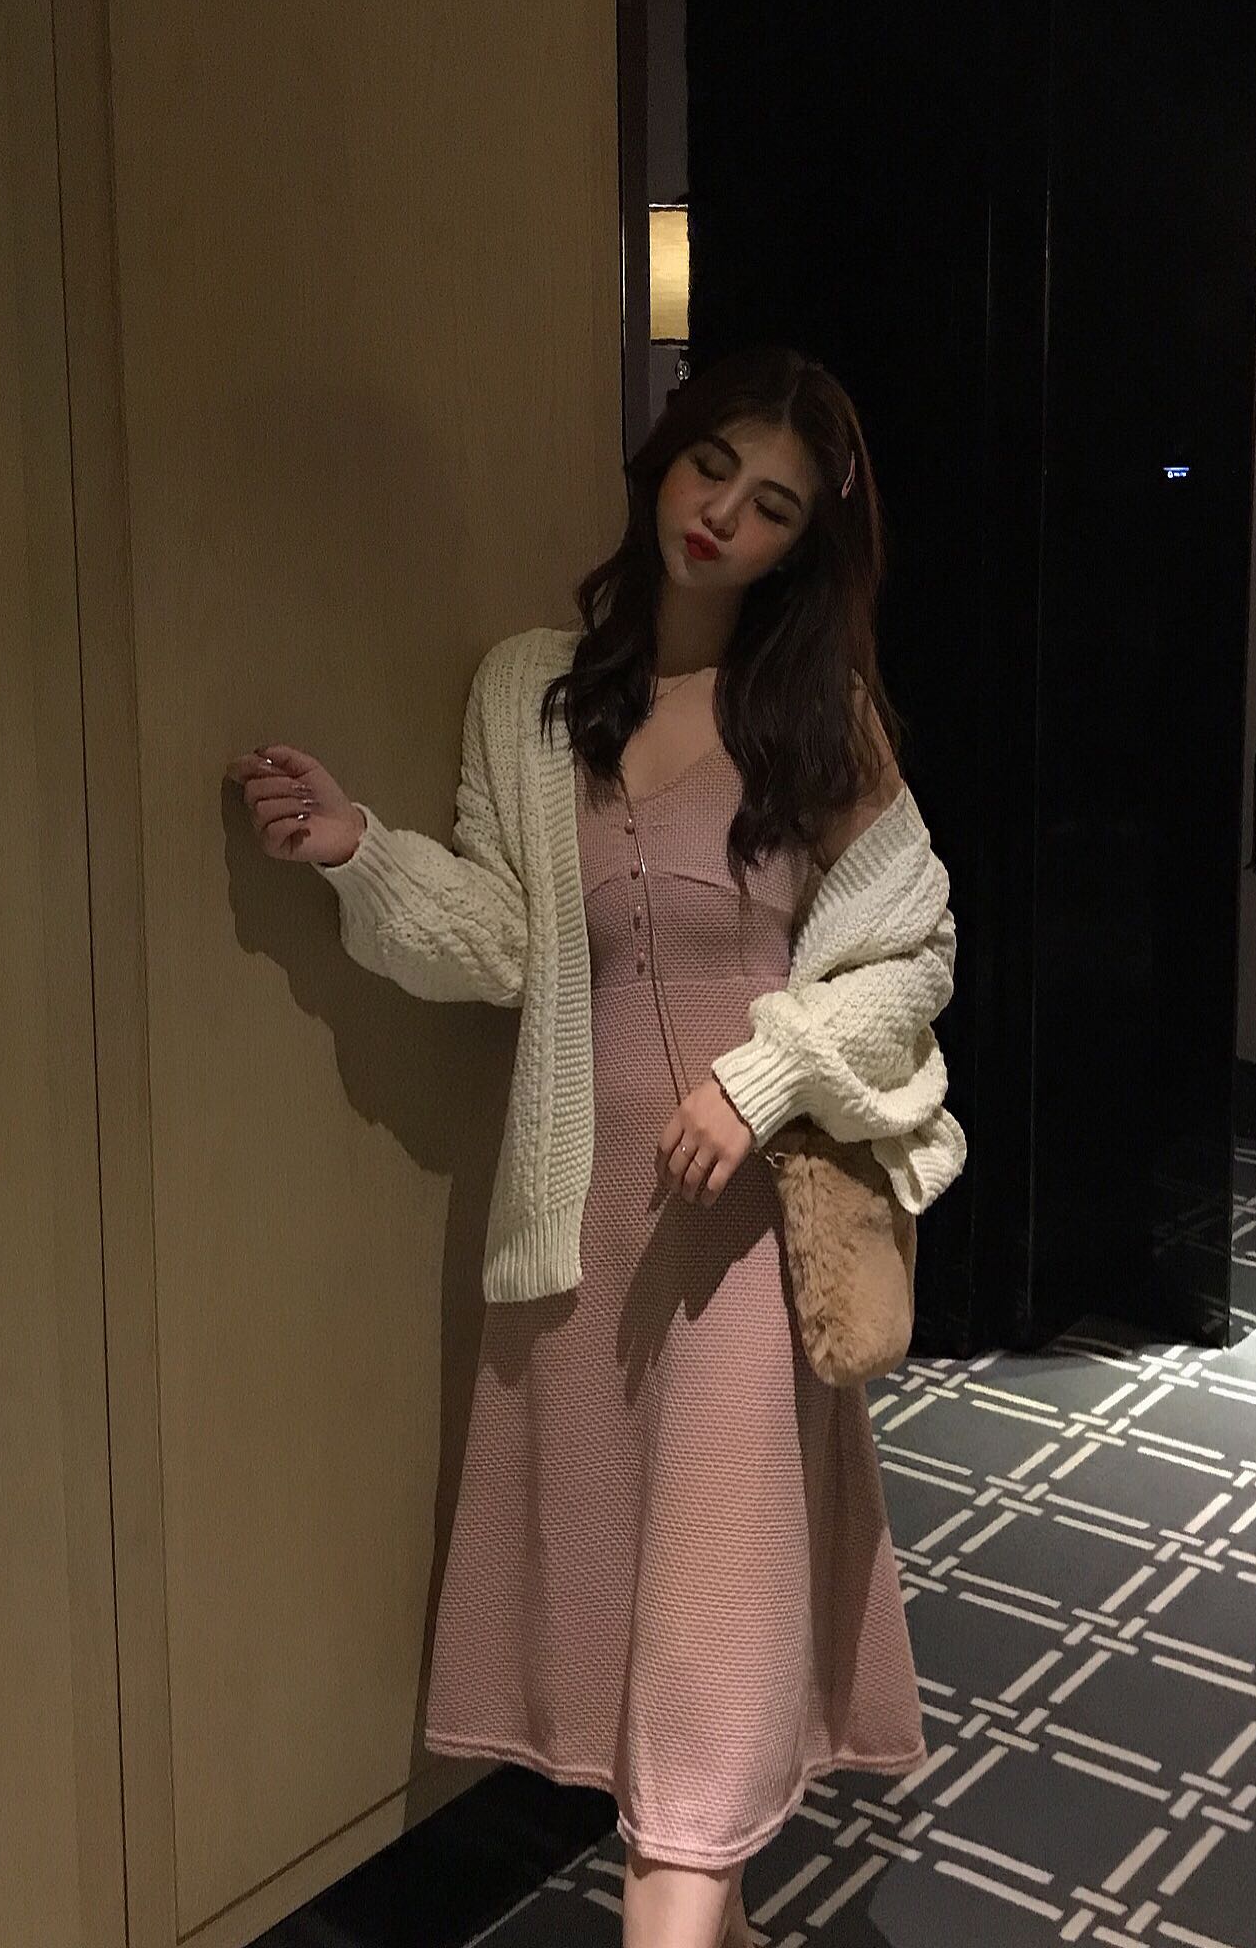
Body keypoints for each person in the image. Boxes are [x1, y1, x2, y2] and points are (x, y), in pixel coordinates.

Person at [225, 346, 962, 1948]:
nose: (725, 516)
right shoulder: (531, 692)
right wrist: (358, 851)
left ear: (801, 547)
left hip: (745, 1250)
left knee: (716, 1616)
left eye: (774, 507)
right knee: (649, 1603)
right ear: (665, 458)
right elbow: (508, 942)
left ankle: (683, 1903)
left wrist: (763, 1080)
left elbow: (915, 952)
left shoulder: (812, 716)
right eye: (715, 468)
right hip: (581, 1236)